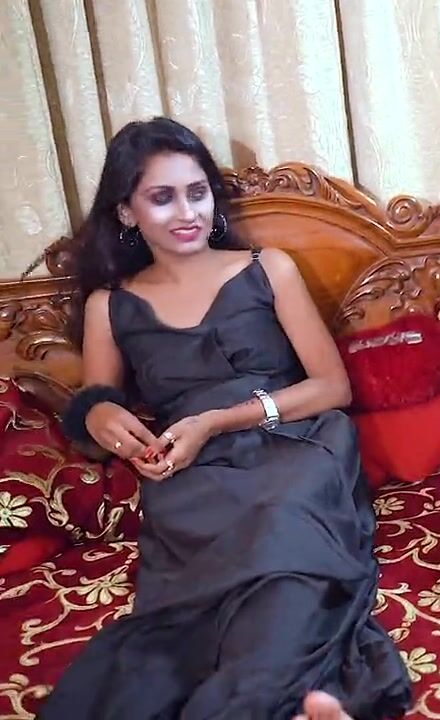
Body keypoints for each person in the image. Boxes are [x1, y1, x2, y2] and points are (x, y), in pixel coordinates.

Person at [38, 117, 411, 719]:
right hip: (194, 470)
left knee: (285, 532)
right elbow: (94, 415)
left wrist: (219, 420)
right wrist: (101, 413)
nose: (187, 212)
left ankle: (248, 702)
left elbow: (332, 388)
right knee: (194, 611)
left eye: (197, 192)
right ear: (127, 211)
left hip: (297, 441)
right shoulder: (111, 304)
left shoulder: (269, 267)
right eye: (162, 197)